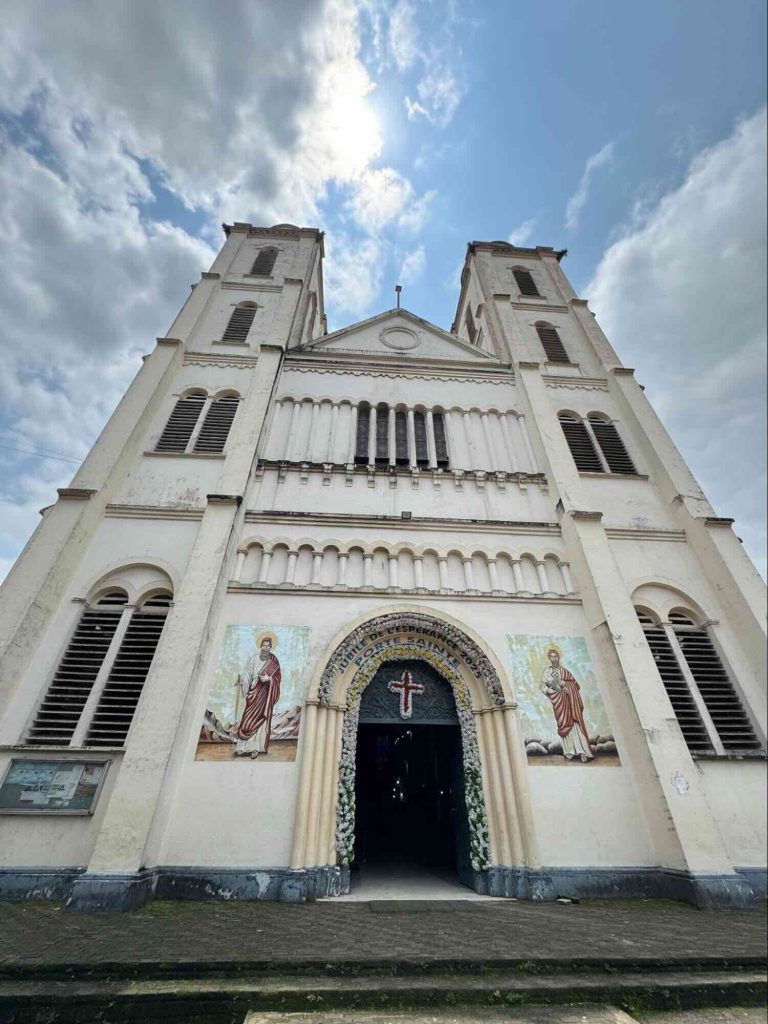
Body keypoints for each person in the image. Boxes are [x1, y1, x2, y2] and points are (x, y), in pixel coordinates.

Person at [539, 645, 593, 762]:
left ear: (559, 657)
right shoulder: (547, 671)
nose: (554, 659)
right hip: (559, 701)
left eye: (556, 656)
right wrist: (551, 691)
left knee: (575, 725)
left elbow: (575, 685)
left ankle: (582, 751)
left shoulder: (565, 671)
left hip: (570, 702)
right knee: (563, 724)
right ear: (549, 659)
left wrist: (567, 686)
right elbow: (542, 685)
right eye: (551, 657)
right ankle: (569, 751)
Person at [234, 633, 282, 759]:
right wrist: (244, 682)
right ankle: (242, 747)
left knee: (261, 718)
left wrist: (270, 680)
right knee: (247, 718)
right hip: (254, 692)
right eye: (264, 645)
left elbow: (277, 678)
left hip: (265, 694)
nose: (265, 648)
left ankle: (256, 748)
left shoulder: (273, 660)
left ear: (270, 648)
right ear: (260, 646)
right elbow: (247, 674)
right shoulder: (254, 659)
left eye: (268, 646)